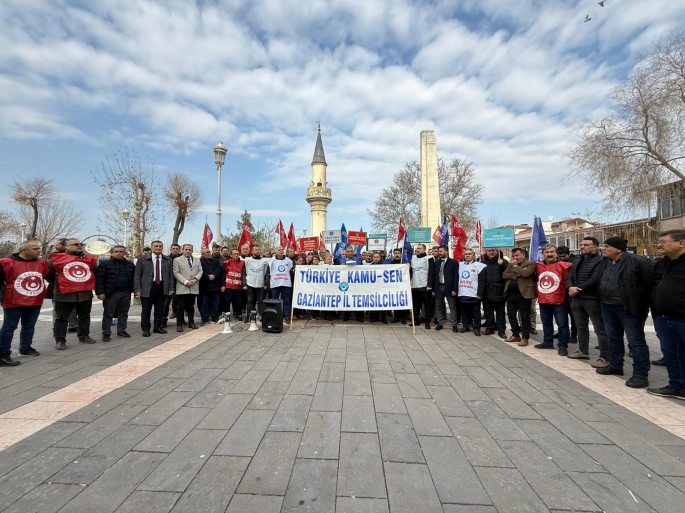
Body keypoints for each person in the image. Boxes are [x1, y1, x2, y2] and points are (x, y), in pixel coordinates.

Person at [596, 237, 654, 388]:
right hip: (607, 306)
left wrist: (642, 303)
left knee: (636, 341)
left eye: (607, 246)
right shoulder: (604, 262)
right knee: (613, 338)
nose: (603, 248)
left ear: (618, 249)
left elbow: (650, 285)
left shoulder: (639, 262)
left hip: (629, 308)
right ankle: (615, 365)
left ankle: (640, 374)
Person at [648, 230, 685, 399]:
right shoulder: (662, 263)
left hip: (682, 319)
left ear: (681, 243)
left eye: (664, 241)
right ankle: (677, 386)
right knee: (671, 354)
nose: (660, 245)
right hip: (663, 317)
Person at [0, 241, 49, 365]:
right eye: (35, 248)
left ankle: (25, 348)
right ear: (23, 250)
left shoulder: (42, 263)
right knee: (9, 327)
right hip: (14, 300)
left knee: (29, 325)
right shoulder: (6, 263)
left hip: (35, 299)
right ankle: (3, 353)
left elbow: (46, 276)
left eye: (39, 248)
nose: (38, 250)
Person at [48, 238, 97, 349]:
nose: (79, 246)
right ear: (66, 246)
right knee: (61, 318)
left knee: (84, 316)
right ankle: (60, 340)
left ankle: (84, 336)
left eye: (80, 244)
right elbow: (47, 273)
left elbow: (94, 271)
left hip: (84, 293)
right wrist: (59, 282)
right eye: (75, 244)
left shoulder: (89, 259)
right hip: (64, 294)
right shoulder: (56, 258)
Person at [567, 236, 608, 365]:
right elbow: (569, 276)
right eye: (582, 244)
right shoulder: (577, 260)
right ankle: (583, 351)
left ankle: (605, 357)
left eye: (586, 245)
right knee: (581, 327)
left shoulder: (600, 261)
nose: (582, 247)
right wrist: (570, 287)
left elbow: (595, 279)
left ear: (595, 247)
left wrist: (577, 289)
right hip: (577, 299)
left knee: (599, 328)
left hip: (592, 299)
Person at [534, 245, 573, 355]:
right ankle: (547, 342)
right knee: (546, 323)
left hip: (559, 300)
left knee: (562, 324)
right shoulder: (538, 266)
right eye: (547, 252)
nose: (549, 254)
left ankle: (563, 346)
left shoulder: (565, 266)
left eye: (552, 252)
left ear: (556, 253)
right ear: (543, 254)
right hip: (543, 300)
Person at [134, 240, 174, 337]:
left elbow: (170, 275)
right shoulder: (142, 259)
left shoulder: (167, 260)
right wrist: (138, 289)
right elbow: (137, 275)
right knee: (146, 310)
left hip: (161, 286)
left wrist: (171, 287)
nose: (158, 248)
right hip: (147, 287)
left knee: (160, 309)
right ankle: (145, 328)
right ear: (151, 248)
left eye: (160, 246)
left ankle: (157, 327)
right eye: (156, 246)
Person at [95, 245, 135, 341]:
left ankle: (121, 330)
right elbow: (99, 279)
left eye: (121, 251)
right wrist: (100, 292)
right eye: (116, 251)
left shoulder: (130, 265)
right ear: (112, 253)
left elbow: (134, 278)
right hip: (111, 293)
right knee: (108, 314)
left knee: (123, 313)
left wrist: (134, 289)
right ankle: (106, 333)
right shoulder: (105, 265)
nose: (118, 253)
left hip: (126, 292)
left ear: (124, 253)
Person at [502, 248, 537, 347]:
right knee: (511, 315)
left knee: (524, 316)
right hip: (511, 294)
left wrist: (516, 267)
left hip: (524, 294)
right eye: (513, 256)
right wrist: (517, 274)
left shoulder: (531, 264)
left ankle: (525, 337)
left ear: (523, 255)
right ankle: (515, 334)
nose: (515, 258)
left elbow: (526, 273)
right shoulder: (511, 264)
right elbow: (504, 275)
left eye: (517, 255)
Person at [46, 238, 77, 333]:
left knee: (72, 308)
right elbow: (47, 272)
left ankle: (73, 325)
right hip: (57, 289)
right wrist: (56, 281)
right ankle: (57, 327)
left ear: (65, 246)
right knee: (57, 309)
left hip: (73, 288)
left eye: (58, 244)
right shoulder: (54, 257)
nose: (56, 246)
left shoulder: (76, 257)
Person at [428, 245, 459, 332]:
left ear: (446, 251)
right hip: (439, 287)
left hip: (449, 287)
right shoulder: (436, 263)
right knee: (438, 307)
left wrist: (454, 289)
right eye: (439, 251)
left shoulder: (454, 263)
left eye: (441, 251)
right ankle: (440, 323)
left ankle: (454, 325)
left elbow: (456, 277)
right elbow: (434, 277)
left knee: (452, 307)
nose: (439, 253)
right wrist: (434, 289)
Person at [173, 244, 203, 332]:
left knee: (191, 306)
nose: (188, 251)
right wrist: (185, 281)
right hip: (183, 286)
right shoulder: (177, 260)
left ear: (192, 251)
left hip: (193, 286)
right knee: (181, 307)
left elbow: (200, 271)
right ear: (182, 250)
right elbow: (176, 272)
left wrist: (195, 279)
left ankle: (191, 322)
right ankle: (179, 324)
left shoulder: (197, 260)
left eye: (190, 249)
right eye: (186, 249)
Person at [458, 248, 486, 336]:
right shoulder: (459, 265)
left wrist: (480, 293)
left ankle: (477, 328)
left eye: (470, 254)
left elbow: (482, 281)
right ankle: (465, 326)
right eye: (466, 254)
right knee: (464, 311)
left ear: (473, 255)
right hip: (462, 292)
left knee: (476, 312)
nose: (467, 255)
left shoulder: (480, 266)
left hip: (474, 294)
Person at [482, 247, 508, 338]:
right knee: (488, 313)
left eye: (493, 250)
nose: (491, 252)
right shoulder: (482, 263)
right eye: (489, 250)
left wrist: (502, 265)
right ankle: (490, 328)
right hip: (487, 292)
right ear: (486, 252)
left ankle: (501, 331)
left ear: (497, 252)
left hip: (499, 292)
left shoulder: (503, 262)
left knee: (500, 314)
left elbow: (508, 274)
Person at [555, 246, 578, 344]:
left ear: (568, 254)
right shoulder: (556, 262)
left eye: (564, 256)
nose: (562, 258)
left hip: (571, 291)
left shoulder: (575, 262)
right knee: (561, 315)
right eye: (560, 256)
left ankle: (574, 334)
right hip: (560, 291)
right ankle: (563, 332)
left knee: (573, 316)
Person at [265, 247, 294, 323]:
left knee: (286, 301)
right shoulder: (271, 261)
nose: (281, 251)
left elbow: (292, 270)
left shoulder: (289, 261)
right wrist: (267, 283)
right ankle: (276, 316)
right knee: (275, 301)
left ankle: (287, 316)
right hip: (275, 284)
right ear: (276, 252)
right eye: (279, 250)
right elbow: (268, 273)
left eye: (282, 250)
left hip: (285, 284)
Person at [199, 248, 224, 325]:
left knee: (216, 303)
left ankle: (214, 317)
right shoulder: (199, 261)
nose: (209, 253)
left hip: (215, 286)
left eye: (209, 252)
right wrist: (207, 276)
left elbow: (219, 269)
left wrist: (214, 275)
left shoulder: (216, 261)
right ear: (202, 254)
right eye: (207, 252)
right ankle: (205, 318)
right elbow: (199, 271)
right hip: (204, 286)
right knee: (204, 304)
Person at [411, 244, 433, 330]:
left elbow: (431, 272)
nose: (417, 250)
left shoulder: (429, 258)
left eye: (419, 248)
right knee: (416, 306)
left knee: (427, 306)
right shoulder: (413, 258)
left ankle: (427, 322)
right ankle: (416, 321)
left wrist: (430, 285)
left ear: (424, 249)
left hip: (425, 286)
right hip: (415, 285)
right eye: (417, 248)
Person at [243, 245, 268, 321]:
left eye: (258, 249)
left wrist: (266, 283)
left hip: (260, 284)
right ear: (252, 251)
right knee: (250, 301)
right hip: (250, 283)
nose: (257, 251)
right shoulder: (247, 260)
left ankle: (260, 315)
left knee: (260, 301)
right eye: (255, 250)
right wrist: (244, 284)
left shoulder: (264, 261)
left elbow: (266, 273)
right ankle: (249, 316)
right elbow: (244, 272)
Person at [223, 248, 246, 321]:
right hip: (228, 286)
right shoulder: (226, 262)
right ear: (231, 255)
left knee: (238, 301)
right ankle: (227, 315)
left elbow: (244, 274)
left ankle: (238, 315)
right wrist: (222, 285)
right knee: (227, 301)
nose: (236, 255)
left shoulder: (243, 263)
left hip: (238, 286)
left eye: (237, 254)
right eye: (234, 254)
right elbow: (223, 274)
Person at [163, 243, 182, 325]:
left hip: (180, 282)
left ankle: (181, 319)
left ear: (179, 249)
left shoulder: (182, 258)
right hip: (168, 283)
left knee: (180, 302)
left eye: (177, 248)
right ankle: (163, 320)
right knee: (166, 302)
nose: (175, 250)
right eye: (173, 248)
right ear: (170, 249)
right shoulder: (166, 259)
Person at [390, 248, 409, 324]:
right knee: (396, 301)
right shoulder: (391, 263)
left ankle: (403, 317)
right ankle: (396, 316)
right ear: (393, 254)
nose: (397, 255)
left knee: (403, 301)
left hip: (403, 285)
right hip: (395, 285)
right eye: (395, 253)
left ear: (401, 254)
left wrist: (408, 268)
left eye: (398, 253)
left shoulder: (404, 263)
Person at [369, 252, 388, 324]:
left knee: (383, 302)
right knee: (374, 302)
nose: (376, 258)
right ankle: (374, 317)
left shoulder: (384, 266)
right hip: (373, 287)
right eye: (374, 257)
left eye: (377, 257)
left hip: (382, 287)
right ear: (373, 258)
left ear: (380, 258)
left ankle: (383, 317)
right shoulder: (369, 267)